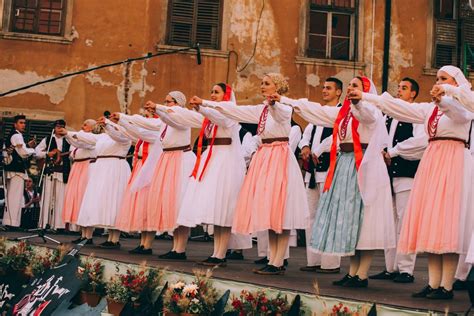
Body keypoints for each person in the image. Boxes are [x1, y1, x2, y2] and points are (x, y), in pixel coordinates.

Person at [350, 65, 473, 299]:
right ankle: (434, 283)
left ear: (456, 82)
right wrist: (365, 96)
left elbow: (460, 114)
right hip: (434, 160)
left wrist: (445, 96)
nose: (438, 82)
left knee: (447, 222)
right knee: (433, 223)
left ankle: (446, 286)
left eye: (444, 78)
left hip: (453, 161)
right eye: (437, 78)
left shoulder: (464, 105)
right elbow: (399, 107)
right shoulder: (430, 109)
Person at [279, 76, 396, 287]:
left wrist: (360, 101)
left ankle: (362, 274)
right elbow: (319, 111)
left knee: (365, 220)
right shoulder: (345, 113)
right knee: (350, 220)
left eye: (356, 86)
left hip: (365, 166)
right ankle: (352, 272)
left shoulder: (370, 111)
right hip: (346, 165)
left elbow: (366, 115)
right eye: (350, 85)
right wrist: (287, 101)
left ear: (367, 91)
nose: (351, 88)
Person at [202, 73, 310, 275]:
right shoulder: (261, 110)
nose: (262, 86)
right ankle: (272, 257)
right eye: (262, 82)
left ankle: (278, 261)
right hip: (265, 157)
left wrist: (275, 103)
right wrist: (205, 104)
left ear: (277, 87)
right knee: (269, 208)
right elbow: (236, 110)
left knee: (281, 209)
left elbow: (282, 115)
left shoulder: (284, 107)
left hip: (279, 157)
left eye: (266, 83)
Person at [175, 83, 246, 266]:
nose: (213, 95)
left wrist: (204, 106)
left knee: (224, 208)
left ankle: (221, 253)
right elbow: (193, 117)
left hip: (226, 160)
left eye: (216, 92)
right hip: (213, 158)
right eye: (211, 92)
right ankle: (216, 252)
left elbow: (221, 119)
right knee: (216, 208)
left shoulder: (231, 112)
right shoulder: (209, 115)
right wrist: (199, 108)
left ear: (226, 95)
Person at [369, 78, 427, 284]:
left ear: (413, 94)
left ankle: (406, 269)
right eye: (399, 88)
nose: (399, 91)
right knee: (389, 222)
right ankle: (390, 267)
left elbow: (420, 143)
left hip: (406, 173)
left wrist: (393, 152)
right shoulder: (389, 117)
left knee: (405, 221)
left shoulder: (417, 116)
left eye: (404, 89)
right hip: (387, 174)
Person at [132, 91, 196, 260]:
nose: (167, 104)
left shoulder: (182, 116)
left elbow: (173, 118)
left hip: (180, 160)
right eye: (166, 101)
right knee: (170, 202)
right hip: (168, 160)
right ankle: (175, 247)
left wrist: (158, 108)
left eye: (170, 102)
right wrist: (123, 120)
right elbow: (149, 124)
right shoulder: (166, 120)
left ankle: (180, 248)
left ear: (178, 103)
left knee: (178, 202)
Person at [58, 118, 131, 248]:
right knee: (102, 202)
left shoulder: (124, 136)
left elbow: (116, 135)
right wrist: (68, 133)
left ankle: (114, 239)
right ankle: (107, 237)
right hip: (102, 170)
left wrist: (108, 124)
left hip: (116, 169)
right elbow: (86, 139)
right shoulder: (102, 137)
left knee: (115, 200)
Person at [298, 77, 343, 274]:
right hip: (313, 173)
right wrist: (306, 147)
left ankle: (330, 263)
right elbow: (305, 135)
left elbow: (338, 137)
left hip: (330, 169)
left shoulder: (341, 114)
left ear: (339, 92)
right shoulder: (317, 116)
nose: (324, 90)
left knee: (330, 215)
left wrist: (318, 150)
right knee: (311, 216)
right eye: (323, 87)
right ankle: (314, 260)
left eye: (328, 88)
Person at [109, 111, 162, 254]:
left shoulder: (157, 130)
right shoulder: (145, 132)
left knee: (146, 205)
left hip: (149, 169)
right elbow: (131, 134)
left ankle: (148, 244)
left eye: (147, 116)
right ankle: (143, 243)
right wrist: (114, 124)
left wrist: (123, 119)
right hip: (139, 166)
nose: (145, 118)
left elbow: (140, 133)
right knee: (140, 206)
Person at [64, 119, 97, 244]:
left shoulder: (92, 138)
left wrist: (68, 134)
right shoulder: (80, 137)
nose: (82, 127)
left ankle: (88, 235)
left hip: (86, 167)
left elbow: (83, 145)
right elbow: (73, 149)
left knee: (85, 199)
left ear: (91, 128)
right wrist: (67, 135)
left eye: (85, 125)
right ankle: (83, 233)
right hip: (77, 168)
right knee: (78, 199)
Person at [35, 119, 71, 230]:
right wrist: (47, 153)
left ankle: (58, 225)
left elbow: (74, 154)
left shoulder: (68, 140)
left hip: (62, 172)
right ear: (54, 128)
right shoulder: (48, 139)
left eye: (62, 127)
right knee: (47, 198)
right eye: (58, 126)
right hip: (49, 171)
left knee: (60, 199)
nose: (60, 129)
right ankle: (43, 223)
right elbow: (36, 153)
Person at [4, 115, 36, 228]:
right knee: (15, 196)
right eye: (21, 122)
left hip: (13, 169)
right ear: (15, 124)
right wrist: (34, 150)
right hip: (16, 170)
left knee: (13, 196)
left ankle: (11, 221)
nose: (24, 125)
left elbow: (19, 150)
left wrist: (27, 146)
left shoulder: (15, 135)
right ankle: (11, 222)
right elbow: (23, 152)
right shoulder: (17, 135)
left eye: (24, 123)